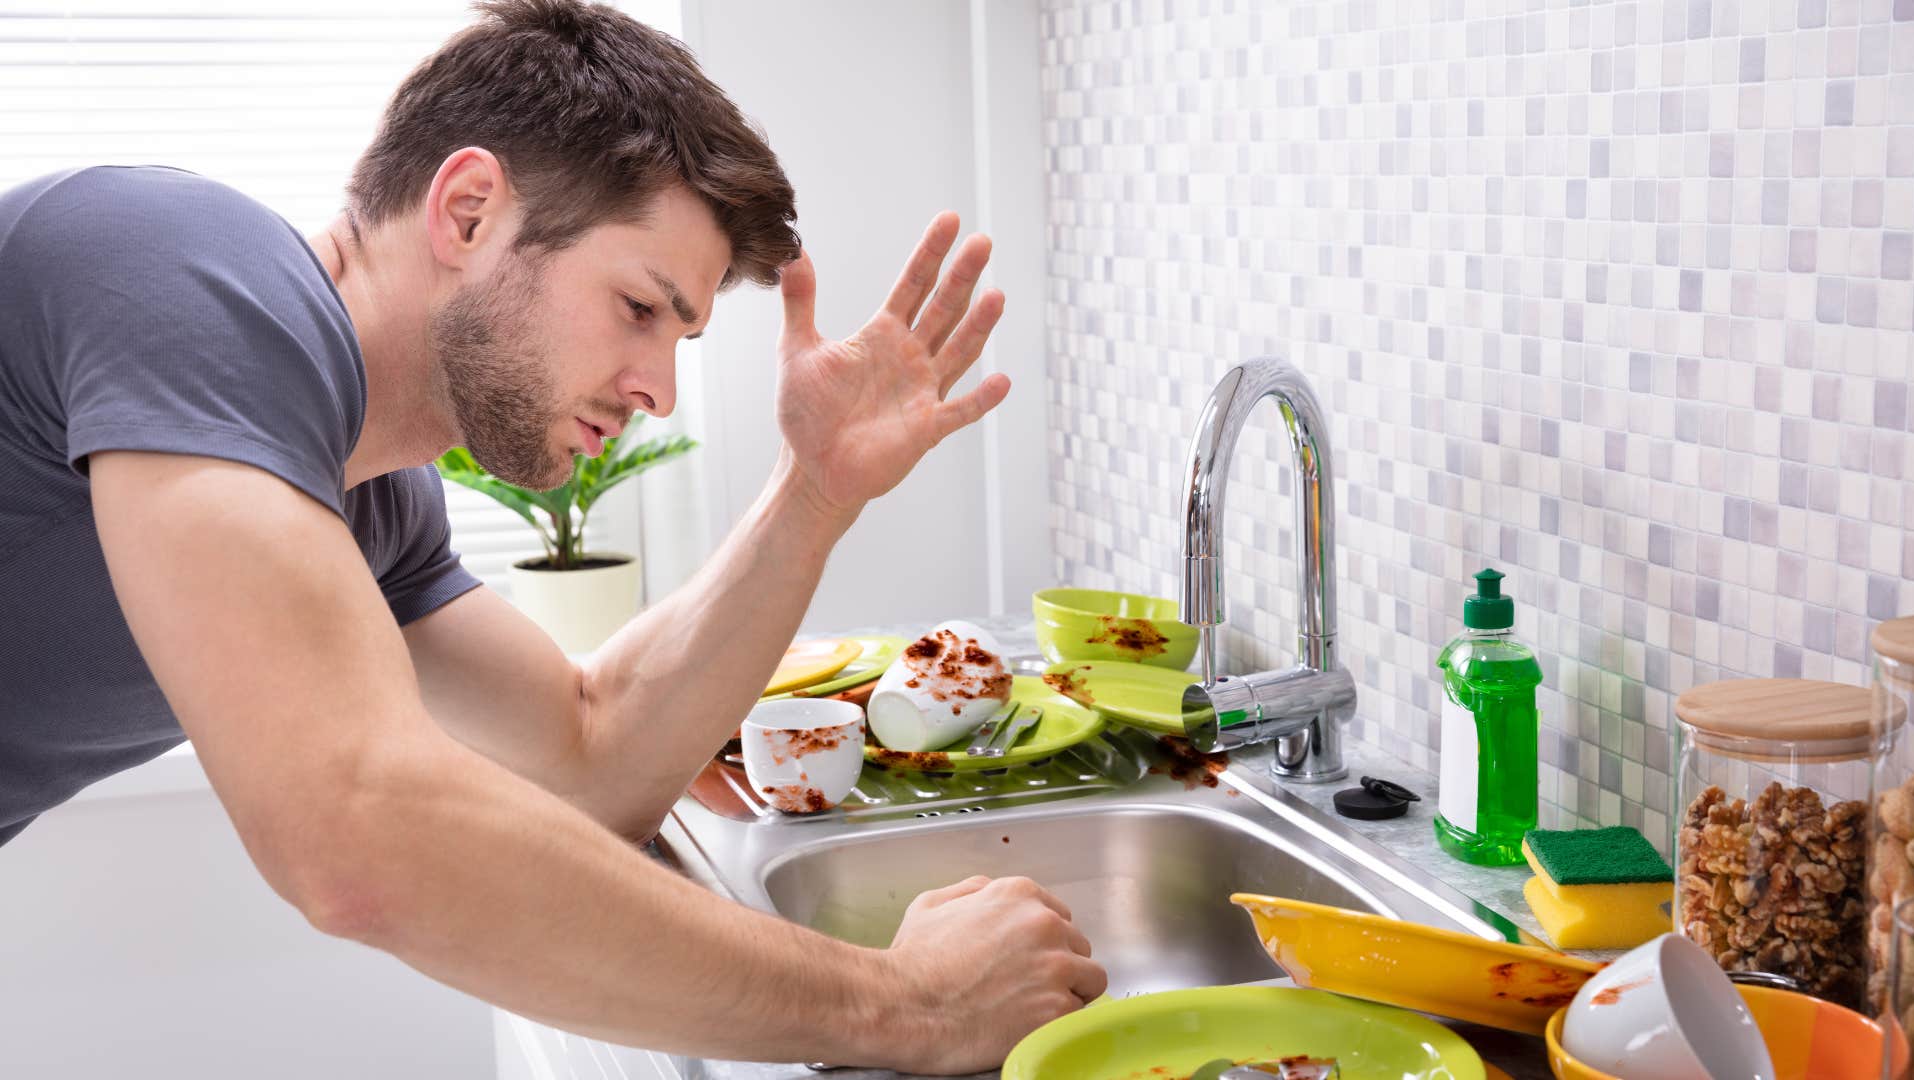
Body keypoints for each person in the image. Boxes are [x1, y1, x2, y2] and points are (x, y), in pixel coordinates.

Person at [0, 0, 1103, 1072]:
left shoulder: (371, 506)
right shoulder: (180, 272)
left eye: (681, 335)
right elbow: (355, 829)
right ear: (470, 210)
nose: (660, 391)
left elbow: (591, 755)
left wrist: (811, 495)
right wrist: (900, 1004)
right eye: (639, 307)